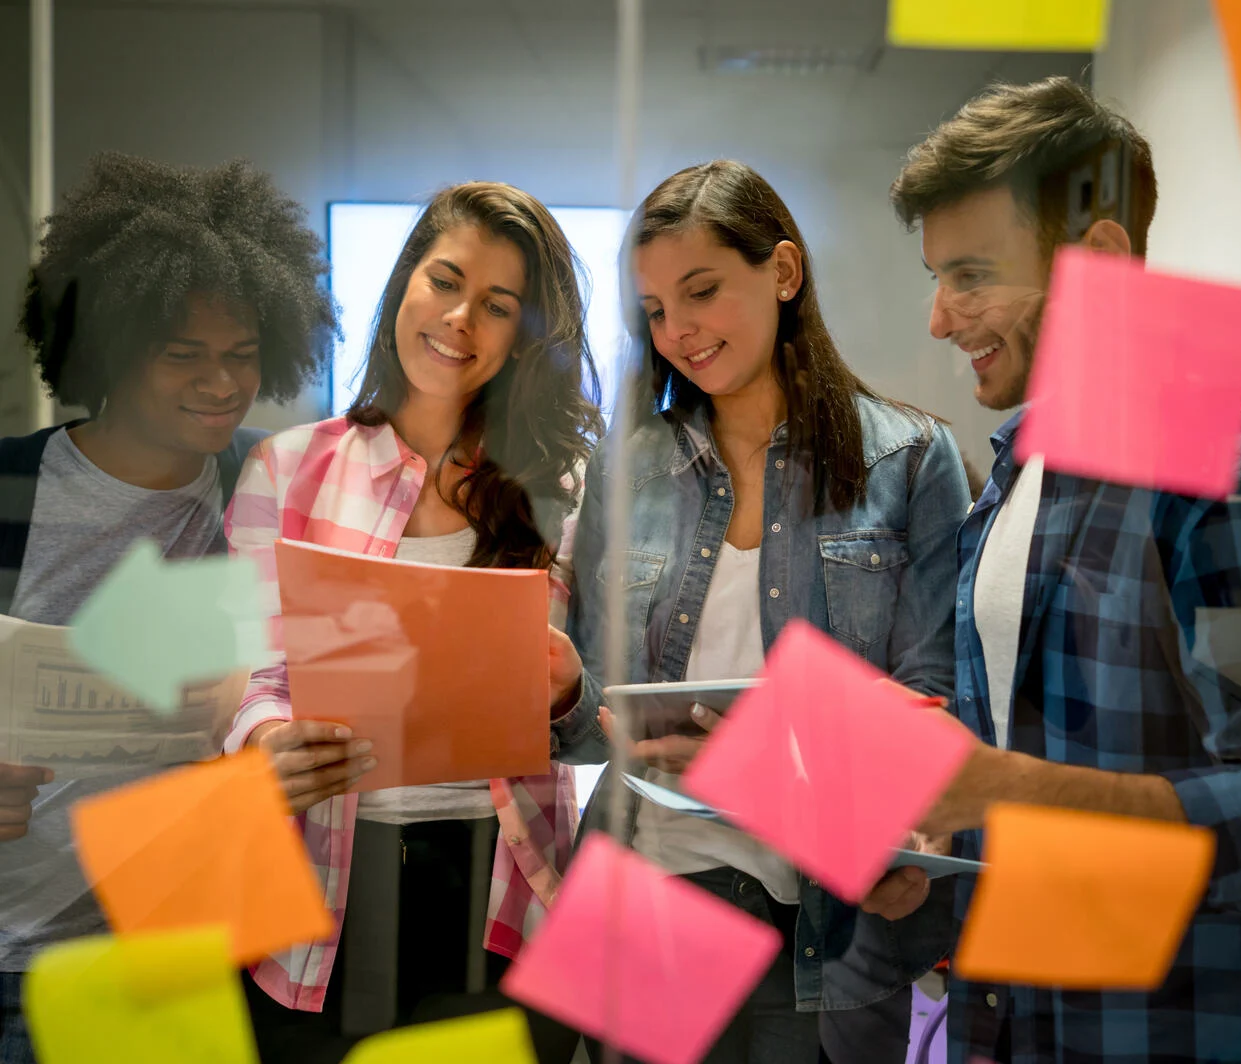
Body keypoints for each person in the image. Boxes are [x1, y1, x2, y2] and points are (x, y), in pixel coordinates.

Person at [865, 77, 1241, 1063]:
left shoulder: (1216, 473)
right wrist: (929, 841)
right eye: (935, 277)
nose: (940, 320)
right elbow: (1010, 766)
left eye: (970, 274)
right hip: (1010, 1017)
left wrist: (1011, 785)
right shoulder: (1010, 475)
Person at [568, 159, 971, 1064]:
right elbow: (594, 719)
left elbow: (934, 697)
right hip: (646, 892)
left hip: (825, 913)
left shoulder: (909, 460)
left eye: (702, 291)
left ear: (783, 274)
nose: (678, 331)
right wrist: (564, 691)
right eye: (656, 310)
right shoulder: (628, 469)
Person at [224, 182, 606, 1064]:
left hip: (501, 882)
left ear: (523, 340)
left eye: (499, 306)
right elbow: (249, 675)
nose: (460, 319)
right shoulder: (286, 470)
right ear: (404, 284)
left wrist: (568, 688)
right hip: (320, 885)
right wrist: (264, 738)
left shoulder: (568, 489)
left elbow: (596, 713)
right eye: (445, 281)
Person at [0, 151, 336, 1064]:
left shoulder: (260, 483)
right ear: (108, 349)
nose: (221, 385)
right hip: (17, 958)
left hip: (192, 953)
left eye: (241, 357)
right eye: (182, 356)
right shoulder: (9, 488)